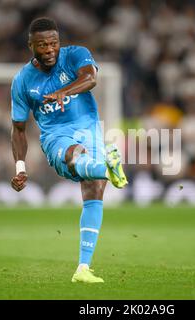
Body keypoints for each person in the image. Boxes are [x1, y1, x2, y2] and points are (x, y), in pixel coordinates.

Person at [10, 17, 128, 283]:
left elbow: (91, 78)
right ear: (31, 46)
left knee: (94, 188)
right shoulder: (22, 81)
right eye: (42, 45)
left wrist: (64, 91)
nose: (50, 49)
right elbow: (18, 129)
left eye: (53, 43)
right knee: (76, 156)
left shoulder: (76, 54)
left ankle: (83, 269)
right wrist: (20, 168)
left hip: (89, 129)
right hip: (56, 135)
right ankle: (107, 166)